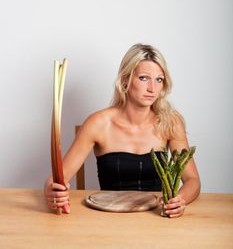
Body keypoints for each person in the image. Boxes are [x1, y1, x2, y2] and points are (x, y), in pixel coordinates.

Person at [44, 43, 201, 218]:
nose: (152, 88)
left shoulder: (171, 122)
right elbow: (55, 180)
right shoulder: (98, 123)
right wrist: (52, 192)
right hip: (109, 217)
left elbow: (192, 180)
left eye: (159, 79)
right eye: (143, 78)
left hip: (157, 217)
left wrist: (179, 200)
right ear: (125, 79)